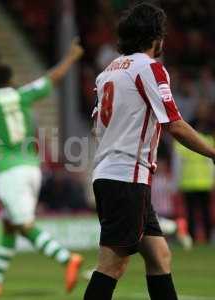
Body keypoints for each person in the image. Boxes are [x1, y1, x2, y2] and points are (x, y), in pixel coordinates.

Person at [85, 3, 215, 300]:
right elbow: (176, 125)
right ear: (156, 37)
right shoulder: (150, 68)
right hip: (126, 177)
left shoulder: (108, 72)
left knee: (159, 256)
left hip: (111, 174)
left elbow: (97, 129)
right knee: (111, 266)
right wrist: (212, 152)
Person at [0, 39, 84, 298]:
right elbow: (52, 78)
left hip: (9, 170)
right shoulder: (23, 94)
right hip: (32, 166)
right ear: (10, 80)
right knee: (9, 224)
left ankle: (67, 259)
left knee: (24, 224)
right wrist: (71, 57)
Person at [174, 103, 214, 244]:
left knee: (192, 212)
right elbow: (211, 165)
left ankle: (193, 239)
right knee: (204, 212)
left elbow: (177, 164)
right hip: (203, 182)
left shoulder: (182, 143)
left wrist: (176, 182)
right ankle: (207, 239)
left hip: (189, 182)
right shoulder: (209, 141)